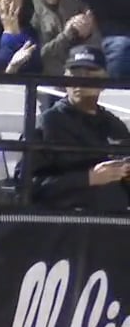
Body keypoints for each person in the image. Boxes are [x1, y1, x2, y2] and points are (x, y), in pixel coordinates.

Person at [31, 46, 129, 210]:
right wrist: (88, 178)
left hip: (115, 223)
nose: (80, 82)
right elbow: (28, 186)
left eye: (89, 74)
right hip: (67, 224)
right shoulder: (49, 123)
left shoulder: (114, 125)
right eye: (74, 74)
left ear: (104, 80)